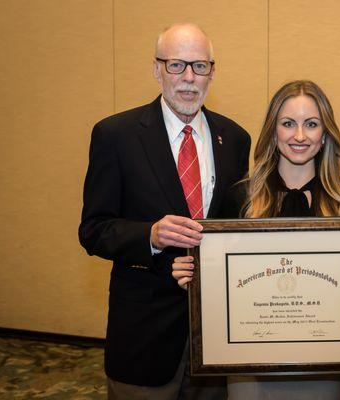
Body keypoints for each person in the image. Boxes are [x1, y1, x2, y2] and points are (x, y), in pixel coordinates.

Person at [79, 23, 251, 399]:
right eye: (177, 65)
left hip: (216, 336)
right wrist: (151, 237)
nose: (189, 78)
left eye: (200, 66)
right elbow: (93, 230)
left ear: (212, 71)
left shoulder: (235, 139)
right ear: (156, 69)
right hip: (145, 335)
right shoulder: (116, 135)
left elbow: (236, 230)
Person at [172, 80, 340, 400]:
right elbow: (219, 281)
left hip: (324, 364)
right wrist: (192, 274)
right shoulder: (240, 199)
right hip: (250, 365)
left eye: (311, 124)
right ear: (273, 132)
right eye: (288, 124)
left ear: (325, 133)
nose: (299, 135)